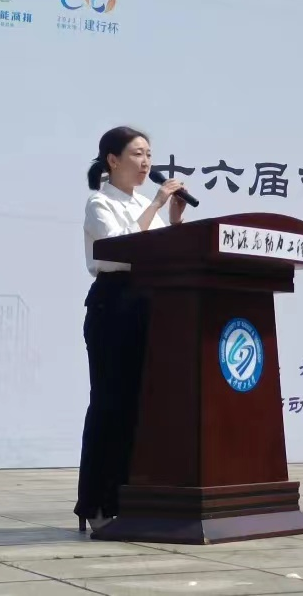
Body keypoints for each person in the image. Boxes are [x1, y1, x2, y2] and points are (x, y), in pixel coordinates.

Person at [74, 126, 187, 533]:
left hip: (149, 303)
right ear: (113, 159)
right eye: (137, 153)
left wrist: (175, 221)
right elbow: (121, 248)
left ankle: (133, 498)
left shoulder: (144, 204)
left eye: (149, 154)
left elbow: (165, 255)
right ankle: (97, 503)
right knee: (110, 403)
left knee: (142, 405)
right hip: (113, 304)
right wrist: (157, 204)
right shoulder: (99, 202)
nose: (146, 162)